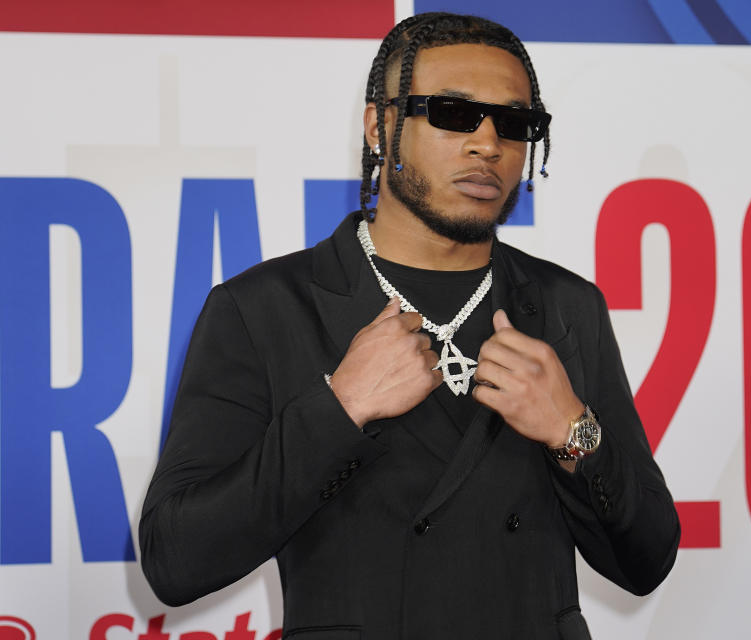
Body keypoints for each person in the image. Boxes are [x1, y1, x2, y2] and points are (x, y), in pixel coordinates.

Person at [139, 12, 680, 639]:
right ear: (380, 126)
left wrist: (572, 431)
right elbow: (175, 560)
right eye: (452, 113)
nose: (487, 144)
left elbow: (646, 560)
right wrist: (338, 410)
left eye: (513, 122)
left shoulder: (565, 306)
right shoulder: (264, 308)